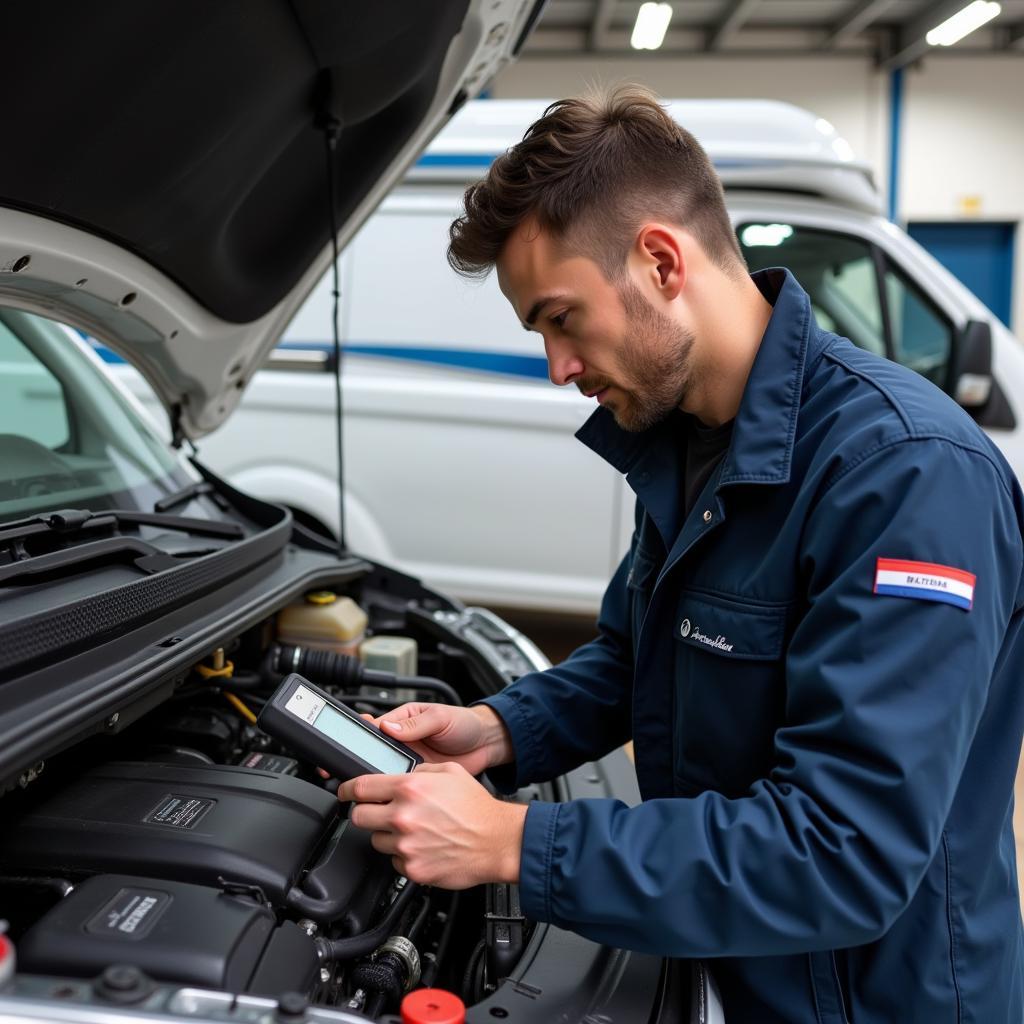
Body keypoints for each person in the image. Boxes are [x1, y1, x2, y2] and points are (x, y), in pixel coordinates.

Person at [337, 86, 1024, 1021]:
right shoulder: (694, 437)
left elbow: (845, 851)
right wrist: (501, 729)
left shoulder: (905, 477)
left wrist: (517, 844)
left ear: (661, 260)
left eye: (562, 317)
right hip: (734, 967)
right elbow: (639, 658)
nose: (557, 368)